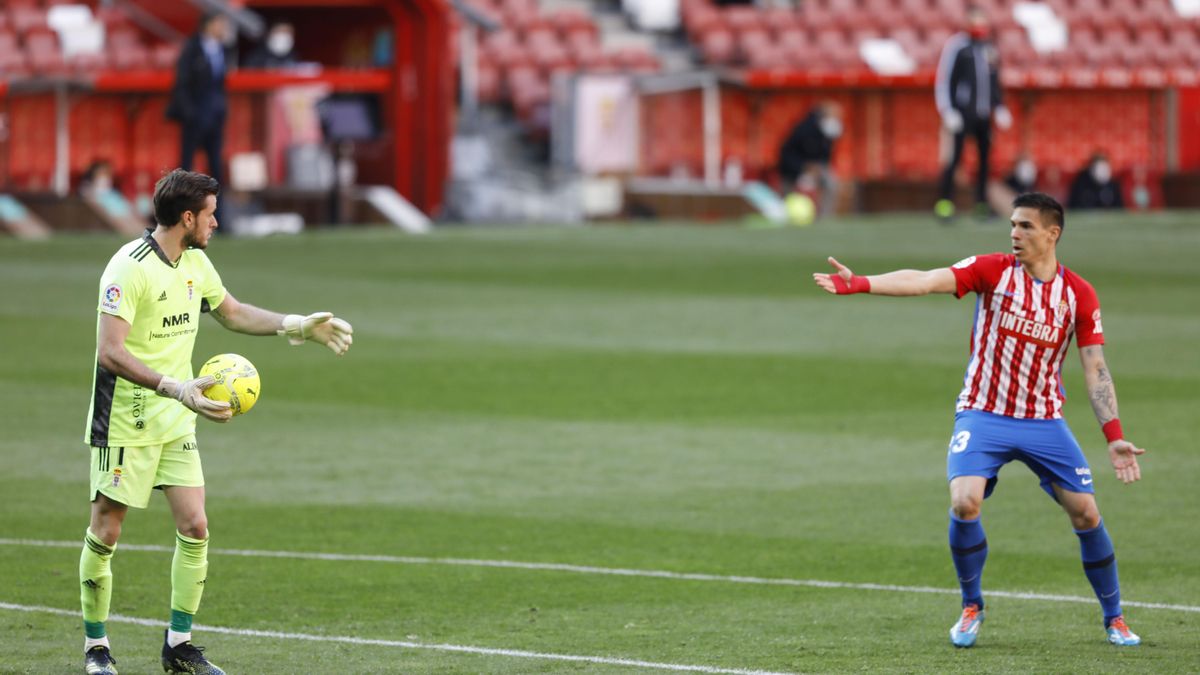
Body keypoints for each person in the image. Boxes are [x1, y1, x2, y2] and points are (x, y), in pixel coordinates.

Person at [812, 192, 1144, 649]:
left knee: (1087, 513)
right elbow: (927, 279)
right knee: (965, 503)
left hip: (1043, 420)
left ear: (1053, 234)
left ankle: (1115, 617)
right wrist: (862, 282)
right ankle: (972, 606)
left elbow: (1095, 367)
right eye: (1012, 224)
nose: (1014, 233)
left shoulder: (1078, 294)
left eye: (1026, 226)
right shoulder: (993, 271)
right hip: (984, 413)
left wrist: (1115, 436)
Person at [80, 169, 354, 675]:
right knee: (108, 529)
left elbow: (231, 312)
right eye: (210, 214)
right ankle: (97, 649)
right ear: (187, 217)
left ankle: (178, 646)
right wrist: (174, 386)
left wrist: (296, 326)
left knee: (195, 525)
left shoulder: (196, 264)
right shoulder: (128, 268)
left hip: (179, 415)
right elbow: (109, 352)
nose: (217, 222)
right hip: (127, 418)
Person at [934, 5, 1012, 221]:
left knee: (985, 162)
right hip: (961, 114)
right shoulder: (957, 46)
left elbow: (994, 81)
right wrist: (948, 110)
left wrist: (1000, 106)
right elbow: (945, 79)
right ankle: (945, 205)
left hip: (984, 115)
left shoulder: (989, 48)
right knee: (954, 160)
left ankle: (982, 205)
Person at [166, 13, 232, 199]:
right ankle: (182, 208)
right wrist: (190, 113)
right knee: (187, 164)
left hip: (216, 116)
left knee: (216, 165)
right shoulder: (191, 48)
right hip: (195, 116)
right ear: (208, 25)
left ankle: (217, 215)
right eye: (220, 24)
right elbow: (182, 83)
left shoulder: (224, 49)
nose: (223, 29)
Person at [777, 101, 843, 216]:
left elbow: (824, 156)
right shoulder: (804, 129)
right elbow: (787, 154)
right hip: (793, 169)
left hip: (816, 169)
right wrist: (803, 167)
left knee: (831, 184)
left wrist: (817, 169)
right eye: (833, 116)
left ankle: (824, 217)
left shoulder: (828, 134)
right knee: (788, 197)